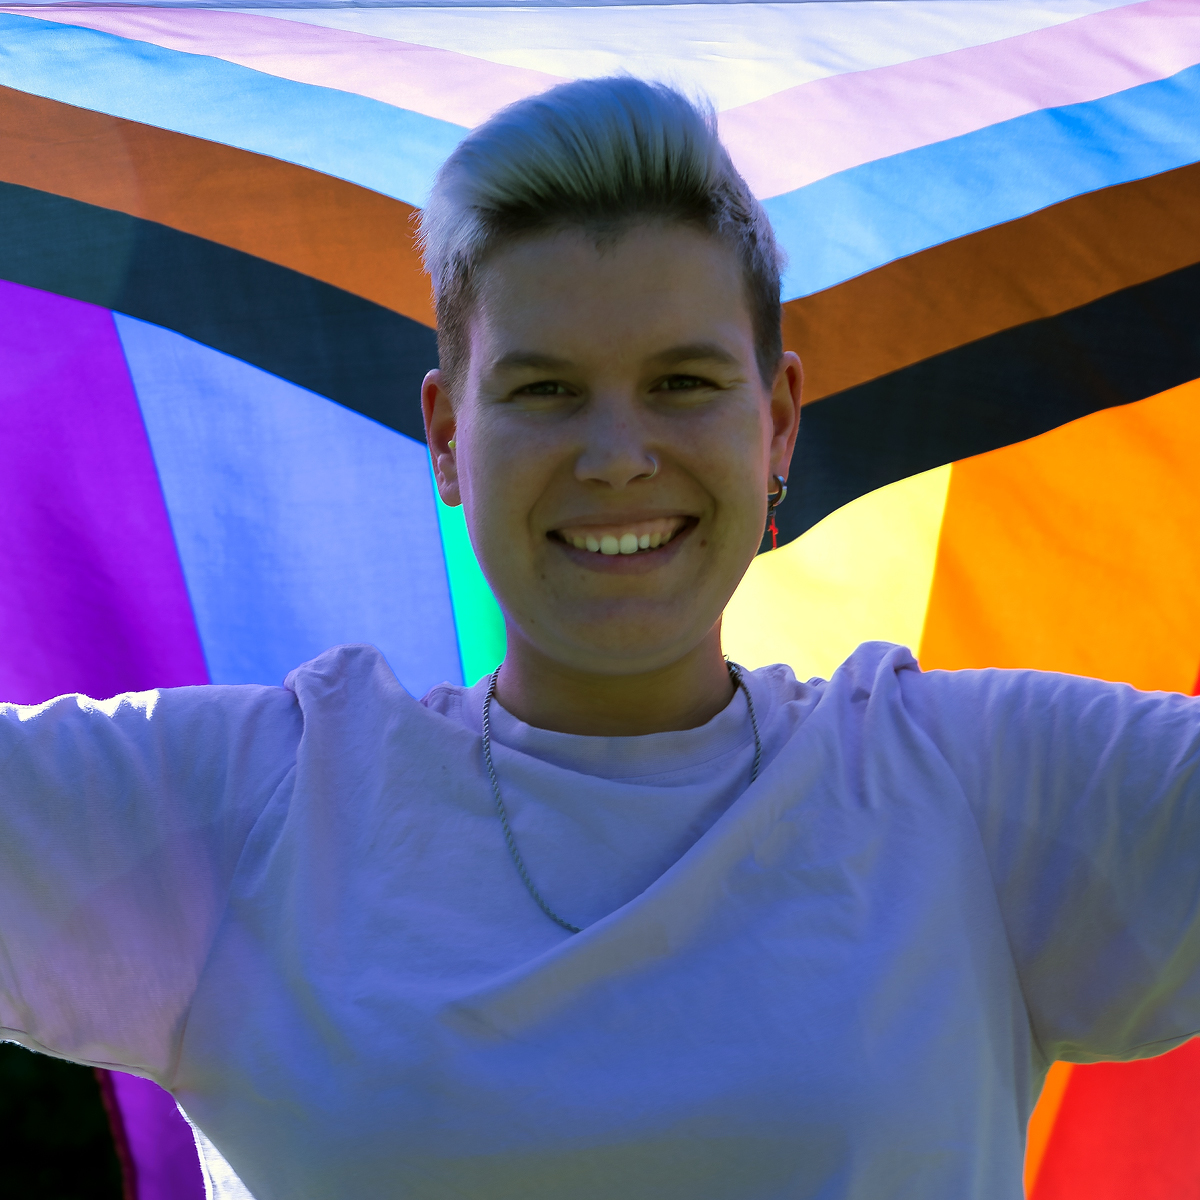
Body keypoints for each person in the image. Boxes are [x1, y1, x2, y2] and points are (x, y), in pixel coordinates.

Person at [2, 76, 1199, 1200]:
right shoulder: (256, 804)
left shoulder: (978, 792)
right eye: (544, 390)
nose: (618, 454)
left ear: (777, 423)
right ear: (446, 435)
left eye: (682, 382)